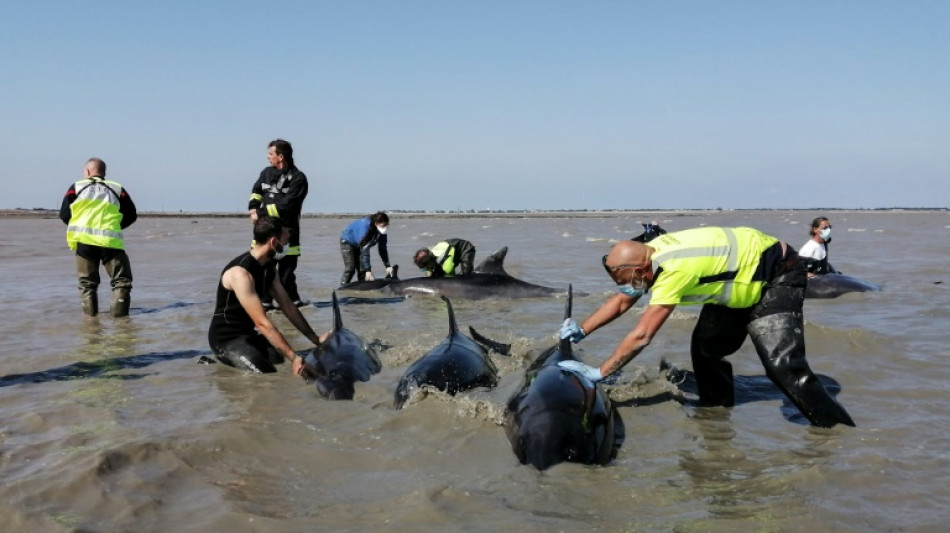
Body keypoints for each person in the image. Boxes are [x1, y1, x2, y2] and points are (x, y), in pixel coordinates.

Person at [558, 226, 854, 428]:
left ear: (640, 270)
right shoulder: (650, 252)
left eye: (629, 280)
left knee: (783, 367)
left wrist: (600, 372)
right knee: (705, 350)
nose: (629, 288)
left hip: (776, 274)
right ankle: (717, 414)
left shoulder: (674, 271)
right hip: (736, 280)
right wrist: (582, 329)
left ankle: (836, 430)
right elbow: (624, 300)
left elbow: (642, 335)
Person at [208, 216, 326, 374]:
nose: (287, 246)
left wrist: (316, 339)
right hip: (226, 340)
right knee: (267, 373)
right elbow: (262, 322)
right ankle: (214, 362)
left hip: (249, 335)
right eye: (285, 241)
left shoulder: (268, 268)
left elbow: (288, 307)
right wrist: (294, 358)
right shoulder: (240, 273)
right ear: (273, 242)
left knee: (279, 359)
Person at [59, 158, 137, 317]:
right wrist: (116, 226)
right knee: (121, 282)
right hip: (110, 242)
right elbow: (131, 214)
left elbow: (64, 214)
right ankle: (120, 323)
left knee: (87, 285)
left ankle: (90, 324)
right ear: (104, 172)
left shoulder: (77, 187)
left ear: (87, 172)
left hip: (84, 242)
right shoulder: (116, 188)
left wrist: (79, 225)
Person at [248, 139, 309, 308]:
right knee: (261, 270)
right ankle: (265, 303)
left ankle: (293, 305)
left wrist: (259, 213)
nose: (268, 157)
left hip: (288, 233)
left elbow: (287, 206)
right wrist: (252, 208)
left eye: (270, 154)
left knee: (286, 275)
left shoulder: (298, 179)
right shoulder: (266, 173)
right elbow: (256, 192)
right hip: (265, 231)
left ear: (280, 156)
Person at [339, 212, 392, 286]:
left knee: (362, 270)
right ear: (376, 223)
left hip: (359, 243)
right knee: (351, 268)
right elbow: (365, 252)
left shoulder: (382, 232)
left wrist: (387, 266)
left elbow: (382, 249)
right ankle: (342, 288)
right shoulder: (365, 229)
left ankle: (362, 290)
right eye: (383, 225)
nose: (385, 228)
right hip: (347, 241)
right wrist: (368, 270)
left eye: (386, 225)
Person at [413, 238, 477, 277]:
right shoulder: (431, 252)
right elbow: (429, 271)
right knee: (437, 274)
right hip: (452, 251)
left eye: (424, 268)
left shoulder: (446, 264)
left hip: (465, 248)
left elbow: (450, 277)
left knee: (466, 276)